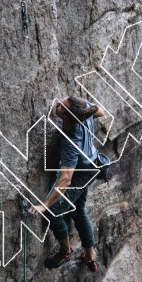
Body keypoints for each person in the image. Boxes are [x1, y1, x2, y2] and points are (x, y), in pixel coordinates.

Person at [29, 96, 105, 271]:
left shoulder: (71, 141)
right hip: (91, 165)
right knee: (78, 209)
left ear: (66, 118)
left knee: (53, 212)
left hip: (80, 173)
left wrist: (45, 205)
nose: (57, 103)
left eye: (62, 106)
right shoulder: (82, 109)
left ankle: (65, 251)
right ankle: (90, 258)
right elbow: (99, 111)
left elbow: (65, 179)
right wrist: (84, 109)